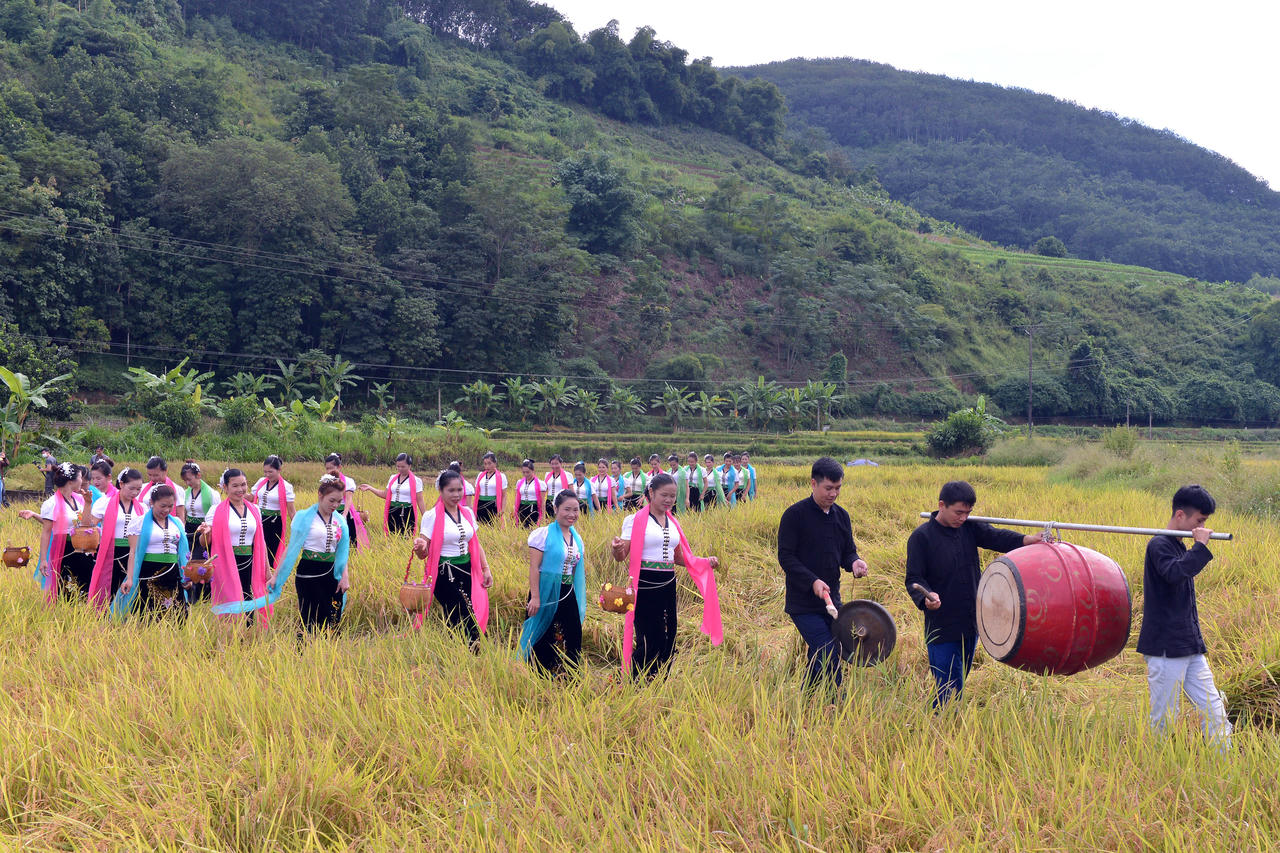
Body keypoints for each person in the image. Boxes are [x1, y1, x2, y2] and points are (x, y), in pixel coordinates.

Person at [905, 480, 1042, 707]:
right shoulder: (922, 537)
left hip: (971, 621)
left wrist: (1027, 540)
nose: (963, 518)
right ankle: (942, 722)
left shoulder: (969, 528)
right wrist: (926, 598)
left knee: (958, 679)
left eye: (968, 513)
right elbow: (914, 579)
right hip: (942, 624)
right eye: (958, 512)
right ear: (942, 505)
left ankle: (944, 717)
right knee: (948, 686)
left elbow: (997, 537)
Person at [1138, 484, 1232, 747]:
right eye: (1199, 521)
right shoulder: (1159, 545)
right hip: (1165, 649)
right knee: (1165, 718)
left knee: (1214, 711)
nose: (1202, 527)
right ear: (1180, 515)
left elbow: (1182, 570)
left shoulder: (1180, 547)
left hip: (1190, 647)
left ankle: (1224, 760)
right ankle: (1159, 764)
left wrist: (1195, 548)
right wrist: (1200, 546)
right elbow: (1174, 573)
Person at [610, 472, 722, 679]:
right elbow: (621, 556)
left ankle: (658, 680)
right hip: (644, 585)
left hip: (668, 585)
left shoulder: (673, 522)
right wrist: (616, 549)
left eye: (672, 496)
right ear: (651, 493)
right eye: (664, 495)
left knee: (668, 636)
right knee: (648, 639)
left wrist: (704, 561)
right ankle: (632, 680)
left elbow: (677, 557)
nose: (669, 500)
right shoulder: (634, 520)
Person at [214, 476, 351, 636]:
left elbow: (343, 552)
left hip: (332, 573)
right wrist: (276, 577)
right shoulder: (304, 518)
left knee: (332, 616)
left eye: (339, 502)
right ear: (320, 495)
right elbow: (290, 550)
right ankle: (304, 648)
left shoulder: (340, 521)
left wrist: (344, 576)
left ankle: (328, 648)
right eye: (332, 500)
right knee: (309, 617)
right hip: (309, 572)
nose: (335, 505)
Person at [777, 457, 870, 692]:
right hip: (803, 604)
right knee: (829, 651)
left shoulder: (842, 516)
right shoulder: (795, 515)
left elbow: (847, 552)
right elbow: (786, 557)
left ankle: (808, 697)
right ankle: (835, 701)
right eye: (828, 488)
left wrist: (855, 562)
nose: (833, 494)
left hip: (832, 602)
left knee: (821, 652)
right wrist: (813, 581)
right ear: (813, 483)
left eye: (838, 488)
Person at [411, 469, 493, 647]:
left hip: (466, 569)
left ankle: (456, 649)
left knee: (457, 613)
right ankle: (476, 647)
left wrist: (485, 569)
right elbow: (423, 554)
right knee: (462, 611)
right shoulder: (431, 516)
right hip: (444, 572)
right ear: (441, 491)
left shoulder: (467, 513)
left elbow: (475, 544)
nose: (456, 495)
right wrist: (420, 547)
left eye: (459, 490)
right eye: (451, 490)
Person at [518, 491, 587, 675]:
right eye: (567, 509)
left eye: (575, 510)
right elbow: (534, 568)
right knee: (543, 633)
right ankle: (539, 675)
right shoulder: (543, 534)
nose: (572, 514)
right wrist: (535, 597)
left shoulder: (577, 538)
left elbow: (575, 569)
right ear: (555, 509)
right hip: (546, 591)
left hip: (567, 591)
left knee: (573, 633)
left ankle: (570, 674)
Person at [200, 468, 269, 624]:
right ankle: (230, 634)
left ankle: (248, 632)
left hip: (250, 562)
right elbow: (204, 543)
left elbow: (261, 542)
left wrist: (267, 569)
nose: (240, 489)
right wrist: (206, 533)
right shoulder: (216, 510)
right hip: (225, 563)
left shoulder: (255, 510)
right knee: (230, 601)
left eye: (243, 485)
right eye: (235, 486)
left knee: (248, 597)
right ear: (225, 487)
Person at [115, 484, 190, 618]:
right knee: (150, 613)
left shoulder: (177, 523)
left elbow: (183, 552)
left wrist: (187, 575)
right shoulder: (139, 523)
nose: (166, 510)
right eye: (163, 506)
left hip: (172, 573)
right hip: (149, 572)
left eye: (170, 506)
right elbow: (133, 552)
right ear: (152, 502)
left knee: (177, 614)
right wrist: (130, 578)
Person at [34, 462, 93, 601]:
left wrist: (88, 503)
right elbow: (46, 532)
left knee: (84, 586)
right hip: (64, 550)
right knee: (66, 587)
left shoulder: (79, 499)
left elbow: (86, 525)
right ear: (71, 481)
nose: (82, 481)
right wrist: (43, 560)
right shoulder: (51, 503)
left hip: (82, 548)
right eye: (80, 477)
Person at [87, 467, 145, 609]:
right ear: (121, 484)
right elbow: (89, 526)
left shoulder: (142, 508)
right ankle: (104, 617)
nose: (135, 493)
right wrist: (87, 505)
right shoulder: (104, 503)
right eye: (131, 488)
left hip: (133, 552)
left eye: (138, 489)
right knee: (109, 588)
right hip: (110, 551)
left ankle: (125, 617)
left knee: (131, 589)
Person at [359, 453, 425, 536]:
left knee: (406, 536)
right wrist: (370, 488)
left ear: (409, 466)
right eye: (398, 466)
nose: (400, 469)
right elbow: (385, 494)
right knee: (391, 536)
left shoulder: (416, 480)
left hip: (407, 512)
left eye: (403, 467)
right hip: (392, 511)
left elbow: (420, 500)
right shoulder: (392, 478)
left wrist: (425, 516)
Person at [250, 455, 295, 569]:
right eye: (265, 472)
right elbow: (251, 497)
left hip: (274, 523)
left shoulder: (286, 486)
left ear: (279, 470)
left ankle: (270, 576)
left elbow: (291, 510)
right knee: (255, 549)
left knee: (271, 552)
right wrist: (234, 492)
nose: (267, 475)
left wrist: (297, 528)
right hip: (258, 520)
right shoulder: (261, 482)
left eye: (270, 472)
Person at [324, 453, 369, 550]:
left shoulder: (348, 481)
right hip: (330, 513)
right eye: (327, 469)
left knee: (349, 540)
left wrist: (344, 514)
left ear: (339, 467)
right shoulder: (326, 481)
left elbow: (348, 499)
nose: (329, 471)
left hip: (344, 512)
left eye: (331, 468)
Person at [179, 461, 219, 563]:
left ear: (198, 475)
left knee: (200, 559)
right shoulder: (186, 492)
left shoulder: (212, 494)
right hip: (189, 529)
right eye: (185, 480)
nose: (187, 483)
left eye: (189, 479)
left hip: (203, 530)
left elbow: (217, 515)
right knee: (187, 558)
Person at [471, 452, 508, 525]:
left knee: (493, 526)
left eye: (489, 463)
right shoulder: (480, 475)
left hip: (493, 505)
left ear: (495, 463)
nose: (487, 466)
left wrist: (502, 509)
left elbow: (504, 495)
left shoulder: (501, 476)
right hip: (480, 505)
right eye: (485, 464)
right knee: (480, 526)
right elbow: (476, 492)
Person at [513, 459, 545, 528]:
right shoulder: (519, 483)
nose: (526, 474)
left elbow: (542, 502)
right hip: (522, 509)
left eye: (528, 472)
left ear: (533, 471)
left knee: (533, 529)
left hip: (533, 509)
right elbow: (516, 498)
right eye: (523, 472)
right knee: (521, 529)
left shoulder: (540, 483)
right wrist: (514, 511)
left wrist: (543, 517)